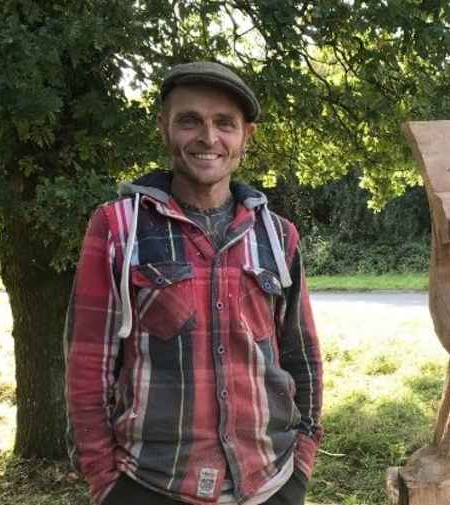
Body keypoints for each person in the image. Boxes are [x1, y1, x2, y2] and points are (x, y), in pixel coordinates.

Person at [64, 61, 323, 505]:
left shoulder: (279, 236)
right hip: (151, 485)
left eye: (225, 123)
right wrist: (106, 483)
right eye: (190, 121)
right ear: (164, 128)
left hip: (270, 484)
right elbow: (87, 366)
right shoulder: (117, 228)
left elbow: (303, 356)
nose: (208, 138)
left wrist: (302, 459)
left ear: (247, 137)